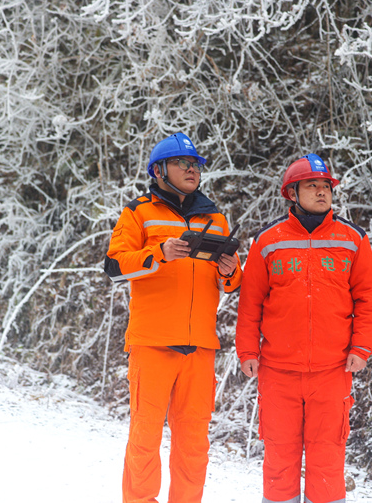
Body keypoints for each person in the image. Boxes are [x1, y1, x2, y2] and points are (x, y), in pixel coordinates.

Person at [104, 132, 242, 503]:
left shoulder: (215, 218)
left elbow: (230, 283)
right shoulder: (139, 212)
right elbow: (114, 266)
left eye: (195, 164)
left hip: (199, 347)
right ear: (159, 170)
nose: (191, 169)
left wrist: (230, 270)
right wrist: (159, 252)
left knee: (194, 445)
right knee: (145, 439)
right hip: (151, 343)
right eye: (183, 163)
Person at [235, 153, 372, 503]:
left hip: (332, 371)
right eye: (312, 185)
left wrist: (361, 349)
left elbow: (368, 298)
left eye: (326, 186)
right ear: (292, 193)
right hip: (278, 371)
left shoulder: (352, 239)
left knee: (327, 459)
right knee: (280, 459)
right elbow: (250, 301)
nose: (321, 192)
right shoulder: (268, 241)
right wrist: (247, 351)